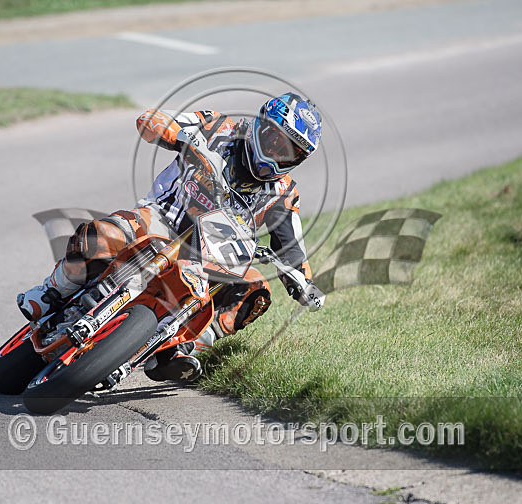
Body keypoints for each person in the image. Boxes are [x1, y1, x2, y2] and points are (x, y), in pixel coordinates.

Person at [18, 92, 323, 382]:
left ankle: (187, 346)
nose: (276, 154)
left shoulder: (283, 193)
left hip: (211, 256)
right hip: (159, 221)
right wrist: (183, 138)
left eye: (290, 152)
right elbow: (151, 119)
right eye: (274, 141)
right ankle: (51, 291)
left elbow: (292, 248)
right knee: (103, 235)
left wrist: (304, 284)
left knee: (256, 290)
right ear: (261, 125)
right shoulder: (219, 127)